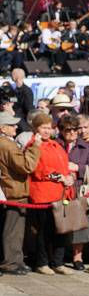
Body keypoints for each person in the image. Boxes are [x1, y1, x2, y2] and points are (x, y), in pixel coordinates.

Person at [28, 113, 74, 275]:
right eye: (44, 128)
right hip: (43, 193)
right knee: (44, 230)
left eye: (49, 128)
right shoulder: (34, 145)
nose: (47, 131)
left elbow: (64, 164)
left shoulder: (55, 144)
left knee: (60, 229)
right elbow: (39, 169)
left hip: (61, 193)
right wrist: (60, 176)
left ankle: (58, 262)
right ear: (35, 128)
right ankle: (42, 262)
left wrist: (69, 176)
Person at [0, 112, 41, 275]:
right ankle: (11, 263)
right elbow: (26, 166)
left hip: (10, 189)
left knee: (13, 228)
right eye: (11, 125)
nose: (16, 127)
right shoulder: (7, 144)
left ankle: (15, 260)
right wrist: (35, 147)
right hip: (14, 190)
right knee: (13, 229)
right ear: (2, 127)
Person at [57, 114, 89, 270]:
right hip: (59, 189)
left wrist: (78, 168)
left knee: (80, 224)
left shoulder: (86, 147)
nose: (73, 132)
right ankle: (56, 257)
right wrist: (63, 175)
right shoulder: (55, 145)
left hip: (78, 190)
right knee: (58, 222)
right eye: (68, 130)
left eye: (75, 129)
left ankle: (77, 257)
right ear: (61, 130)